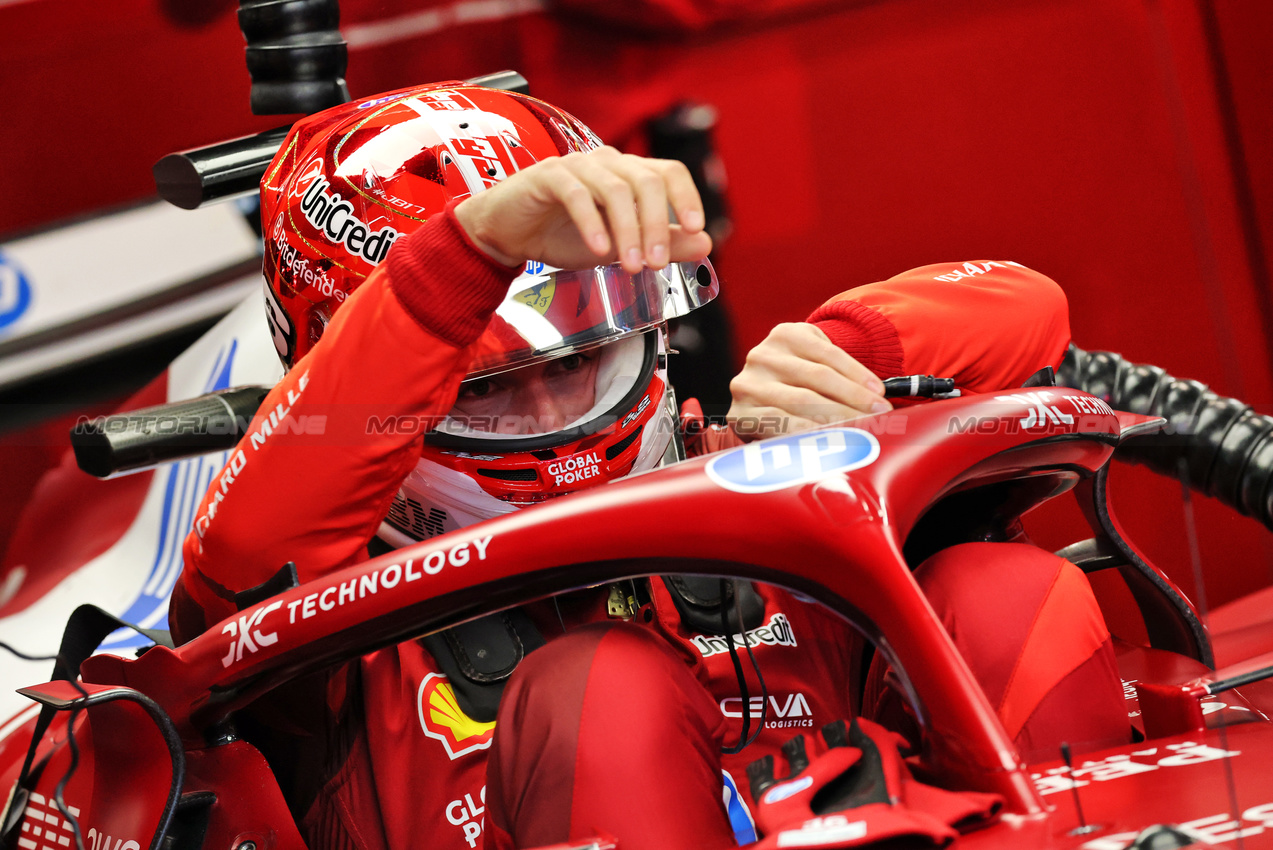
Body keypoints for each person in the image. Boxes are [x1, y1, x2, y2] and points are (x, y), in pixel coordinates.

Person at [170, 82, 1128, 850]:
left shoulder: (758, 462)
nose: (550, 413)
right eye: (482, 386)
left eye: (579, 360)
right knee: (595, 691)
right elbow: (247, 549)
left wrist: (849, 354)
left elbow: (1029, 309)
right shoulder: (314, 616)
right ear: (387, 379)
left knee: (1002, 590)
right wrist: (466, 258)